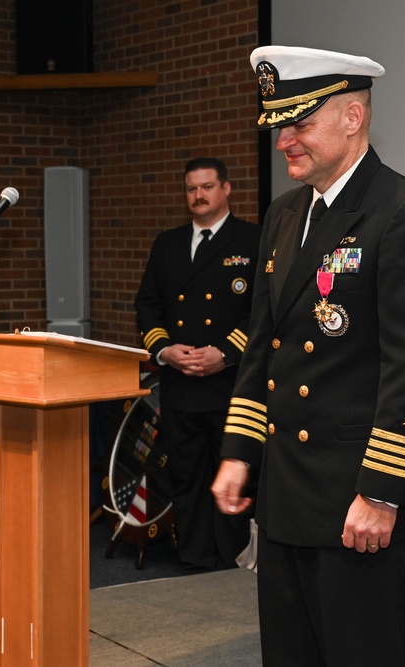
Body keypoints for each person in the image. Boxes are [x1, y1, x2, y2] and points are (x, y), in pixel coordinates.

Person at [211, 47, 405, 666]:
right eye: (279, 126)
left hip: (358, 504)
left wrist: (381, 492)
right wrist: (240, 453)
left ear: (352, 117)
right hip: (287, 496)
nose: (284, 141)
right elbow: (264, 348)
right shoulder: (282, 214)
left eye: (299, 124)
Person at [135, 158, 261, 570]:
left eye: (207, 187)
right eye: (191, 189)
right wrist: (164, 350)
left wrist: (225, 352)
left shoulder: (252, 240)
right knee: (186, 477)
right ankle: (193, 560)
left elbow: (264, 310)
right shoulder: (167, 244)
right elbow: (148, 306)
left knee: (234, 476)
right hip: (181, 384)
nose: (199, 196)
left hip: (230, 387)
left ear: (227, 189)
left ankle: (233, 558)